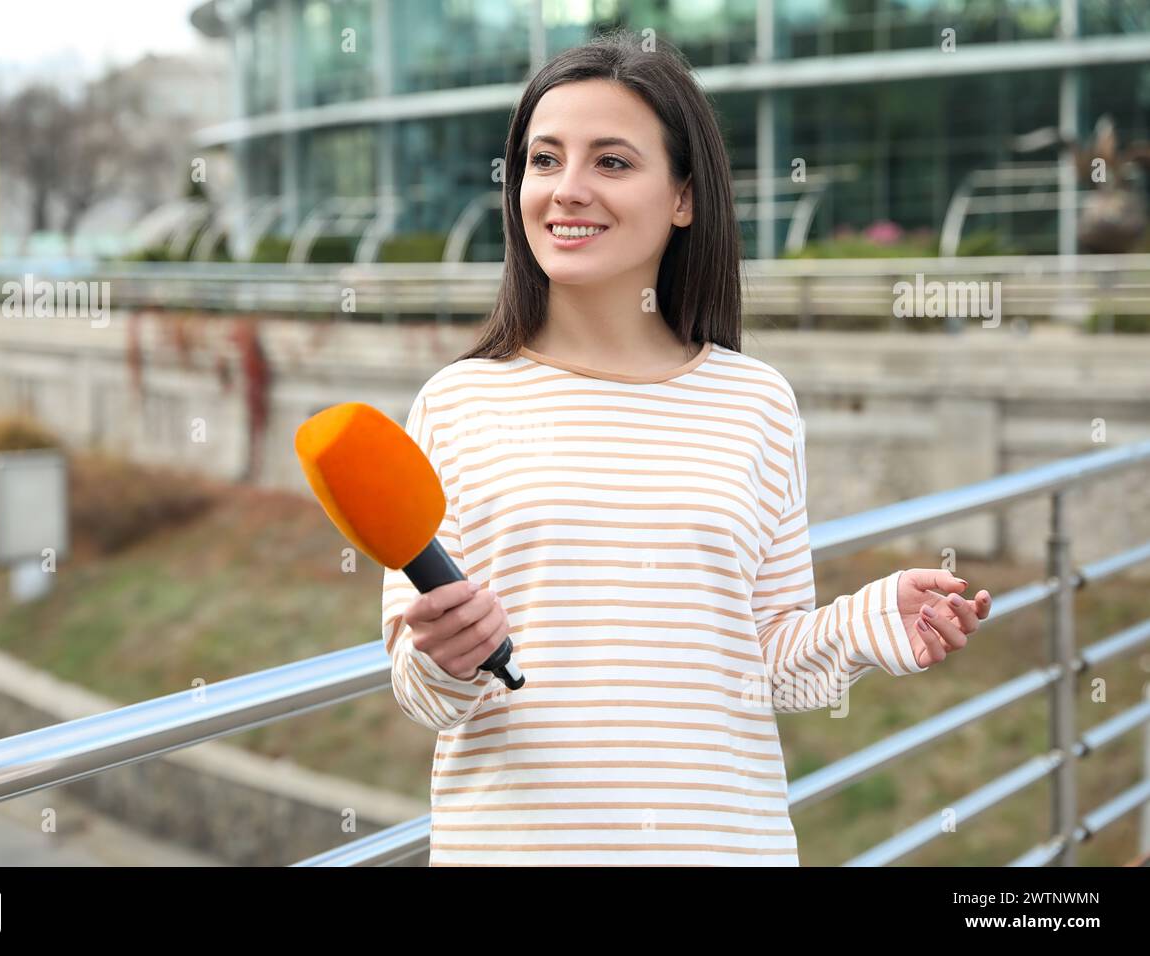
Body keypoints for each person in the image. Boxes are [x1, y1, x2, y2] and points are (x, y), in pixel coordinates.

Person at [381, 29, 991, 866]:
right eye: (545, 159)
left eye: (613, 162)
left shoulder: (756, 401)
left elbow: (770, 665)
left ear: (685, 198)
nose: (567, 191)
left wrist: (865, 623)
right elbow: (420, 696)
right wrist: (445, 662)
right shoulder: (454, 403)